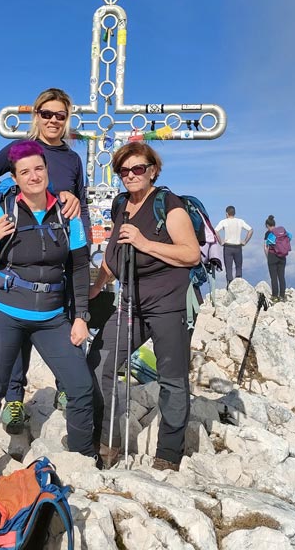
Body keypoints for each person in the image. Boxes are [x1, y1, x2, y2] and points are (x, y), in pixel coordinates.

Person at [0, 140, 97, 475]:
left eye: (39, 169)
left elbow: (79, 267)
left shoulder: (69, 215)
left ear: (47, 171)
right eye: (25, 171)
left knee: (81, 388)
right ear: (15, 178)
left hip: (52, 317)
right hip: (4, 312)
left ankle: (82, 462)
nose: (33, 176)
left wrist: (81, 317)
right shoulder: (2, 213)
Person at [0, 87, 89, 434]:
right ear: (36, 116)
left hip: (61, 245)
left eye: (60, 115)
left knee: (63, 315)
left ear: (67, 118)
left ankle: (64, 389)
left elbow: (80, 202)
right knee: (17, 321)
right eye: (47, 114)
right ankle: (14, 398)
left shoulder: (72, 159)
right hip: (20, 244)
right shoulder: (20, 151)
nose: (54, 120)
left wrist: (78, 230)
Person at [88, 142, 200, 472]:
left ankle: (168, 456)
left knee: (173, 379)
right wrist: (97, 286)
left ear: (153, 170)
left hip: (168, 305)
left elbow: (190, 254)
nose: (131, 175)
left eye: (138, 168)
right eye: (124, 170)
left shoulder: (169, 204)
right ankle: (109, 442)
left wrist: (144, 242)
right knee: (100, 363)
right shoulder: (121, 204)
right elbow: (115, 253)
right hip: (129, 304)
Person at [214, 205, 253, 283]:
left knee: (229, 268)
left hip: (228, 246)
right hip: (238, 246)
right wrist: (245, 241)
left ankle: (230, 284)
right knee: (238, 266)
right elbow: (251, 230)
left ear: (227, 213)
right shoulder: (240, 221)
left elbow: (215, 231)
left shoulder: (224, 221)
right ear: (234, 213)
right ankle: (239, 284)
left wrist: (220, 241)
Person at [263, 215, 292, 302]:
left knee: (274, 277)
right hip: (282, 256)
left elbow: (265, 247)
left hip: (272, 256)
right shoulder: (283, 232)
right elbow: (290, 237)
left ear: (267, 225)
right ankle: (282, 296)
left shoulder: (268, 234)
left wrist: (268, 257)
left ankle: (275, 296)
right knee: (281, 276)